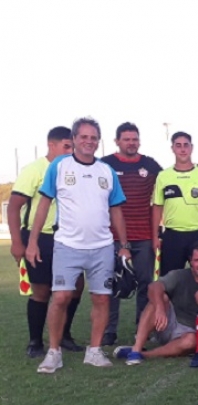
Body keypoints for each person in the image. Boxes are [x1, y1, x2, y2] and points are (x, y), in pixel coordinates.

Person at [25, 117, 133, 373]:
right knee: (61, 297)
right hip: (67, 245)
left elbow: (116, 210)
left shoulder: (106, 171)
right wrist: (32, 242)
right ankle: (54, 352)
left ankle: (94, 351)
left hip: (102, 247)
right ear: (74, 139)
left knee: (102, 299)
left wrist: (124, 245)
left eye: (93, 138)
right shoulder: (60, 166)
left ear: (99, 141)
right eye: (83, 137)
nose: (89, 141)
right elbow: (43, 205)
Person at [7, 125, 84, 357]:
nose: (70, 151)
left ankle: (64, 335)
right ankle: (35, 342)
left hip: (69, 238)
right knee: (41, 290)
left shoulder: (74, 169)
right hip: (40, 237)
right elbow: (13, 207)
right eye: (66, 146)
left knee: (76, 287)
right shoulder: (35, 170)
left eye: (72, 147)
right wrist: (17, 242)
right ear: (52, 145)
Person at [100, 122, 163, 346]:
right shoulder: (105, 164)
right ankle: (109, 331)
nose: (131, 143)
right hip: (112, 237)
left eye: (134, 139)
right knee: (112, 284)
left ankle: (141, 328)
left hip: (144, 236)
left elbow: (170, 180)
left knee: (146, 284)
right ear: (117, 141)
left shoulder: (150, 165)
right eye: (126, 139)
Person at [112, 240, 198, 364]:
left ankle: (143, 354)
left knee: (192, 341)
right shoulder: (180, 275)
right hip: (168, 323)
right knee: (160, 297)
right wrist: (160, 308)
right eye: (197, 260)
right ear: (190, 261)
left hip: (192, 332)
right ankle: (137, 348)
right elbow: (153, 286)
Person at [152, 131, 198, 276]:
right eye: (178, 145)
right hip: (173, 235)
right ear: (172, 148)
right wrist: (155, 236)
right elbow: (157, 207)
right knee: (170, 280)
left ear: (191, 148)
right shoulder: (163, 176)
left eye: (186, 145)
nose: (182, 149)